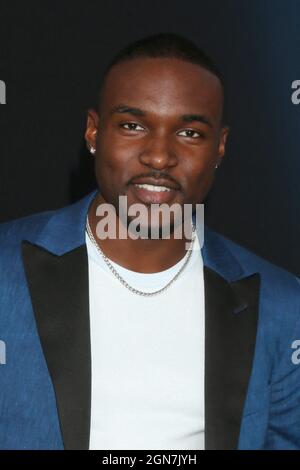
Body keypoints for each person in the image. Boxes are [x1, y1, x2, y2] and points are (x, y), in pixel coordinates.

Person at [0, 32, 300, 451]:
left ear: (220, 147)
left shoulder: (283, 307)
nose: (159, 156)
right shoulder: (5, 272)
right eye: (133, 125)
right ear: (93, 132)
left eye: (191, 133)